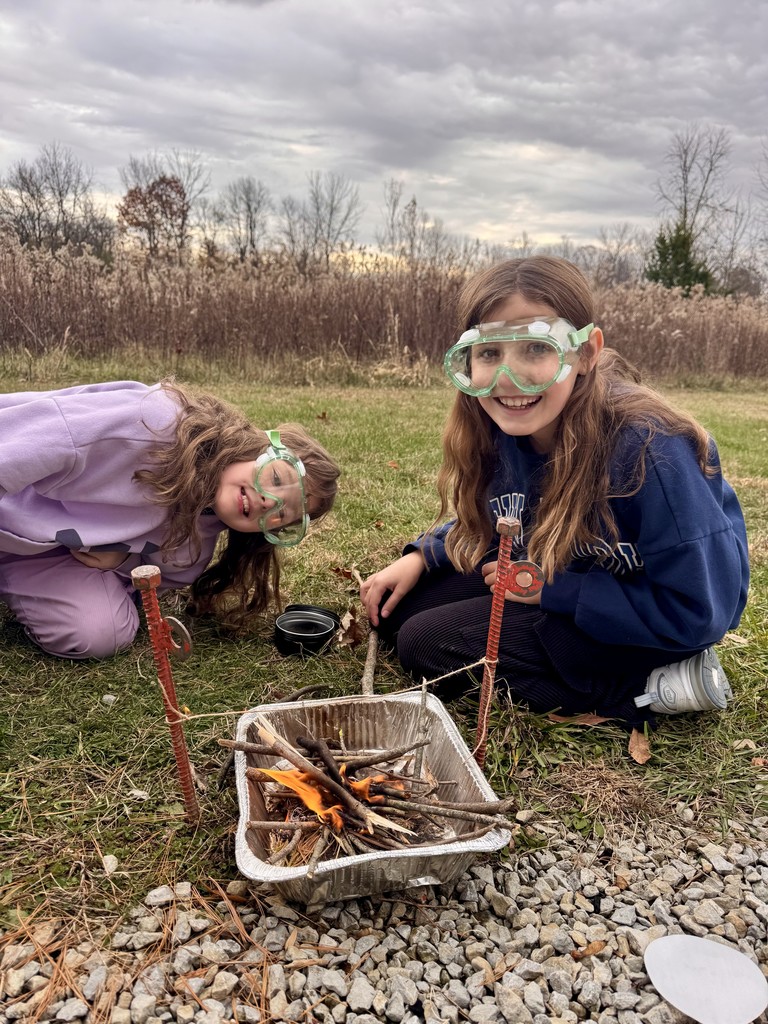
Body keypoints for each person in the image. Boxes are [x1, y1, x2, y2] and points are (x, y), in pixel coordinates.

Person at [360, 256, 749, 725]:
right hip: (559, 574)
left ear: (585, 354)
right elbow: (503, 515)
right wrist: (422, 555)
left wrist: (555, 593)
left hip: (648, 622)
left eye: (535, 349)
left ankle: (648, 685)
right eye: (489, 354)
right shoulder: (504, 427)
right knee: (402, 610)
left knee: (425, 644)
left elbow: (704, 611)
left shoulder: (653, 452)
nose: (508, 377)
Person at [0, 379, 339, 659]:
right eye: (277, 478)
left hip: (36, 553)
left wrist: (124, 556)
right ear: (258, 446)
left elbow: (152, 581)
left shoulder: (196, 543)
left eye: (281, 514)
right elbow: (27, 443)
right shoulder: (154, 425)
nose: (268, 501)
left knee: (104, 633)